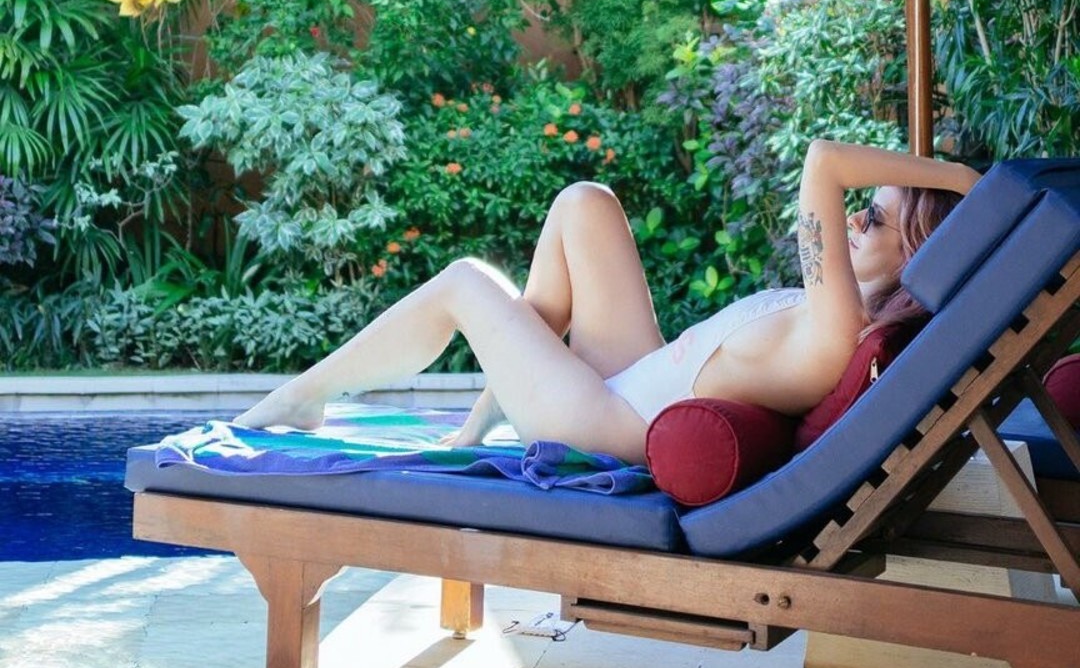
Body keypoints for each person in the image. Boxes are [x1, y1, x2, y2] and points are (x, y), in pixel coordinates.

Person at [234, 140, 981, 464]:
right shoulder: (838, 313)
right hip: (638, 381)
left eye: (873, 217)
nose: (852, 218)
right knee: (584, 201)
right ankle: (488, 415)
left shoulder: (838, 328)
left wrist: (955, 179)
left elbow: (823, 161)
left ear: (915, 253)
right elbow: (830, 174)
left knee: (464, 280)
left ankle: (306, 394)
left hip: (604, 422)